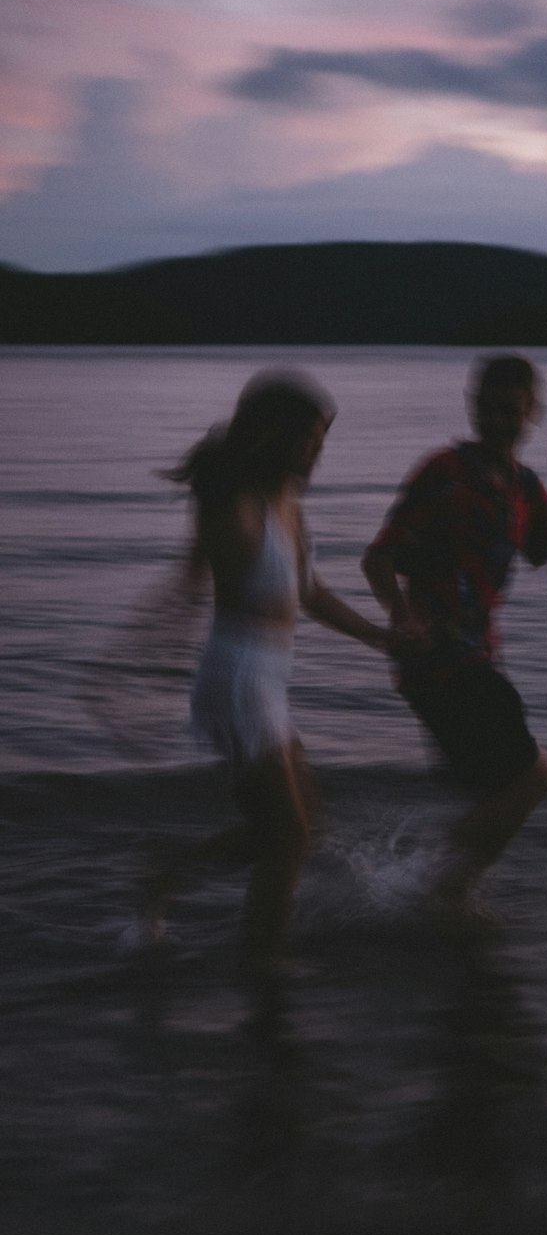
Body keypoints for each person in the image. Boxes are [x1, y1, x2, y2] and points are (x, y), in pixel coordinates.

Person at [362, 352, 547, 907]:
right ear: (471, 407)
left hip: (478, 658)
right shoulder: (443, 472)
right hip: (437, 660)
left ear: (533, 412)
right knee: (532, 777)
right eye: (486, 409)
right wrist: (402, 613)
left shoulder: (524, 489)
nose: (496, 422)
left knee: (501, 790)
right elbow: (377, 558)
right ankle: (437, 887)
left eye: (509, 411)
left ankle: (444, 895)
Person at [142, 369, 394, 966]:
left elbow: (310, 592)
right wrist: (133, 666)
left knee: (299, 824)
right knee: (289, 839)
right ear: (273, 435)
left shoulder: (289, 503)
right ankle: (263, 973)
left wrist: (382, 639)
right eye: (309, 437)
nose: (317, 451)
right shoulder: (236, 502)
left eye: (322, 440)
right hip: (237, 680)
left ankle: (169, 873)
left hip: (267, 683)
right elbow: (185, 585)